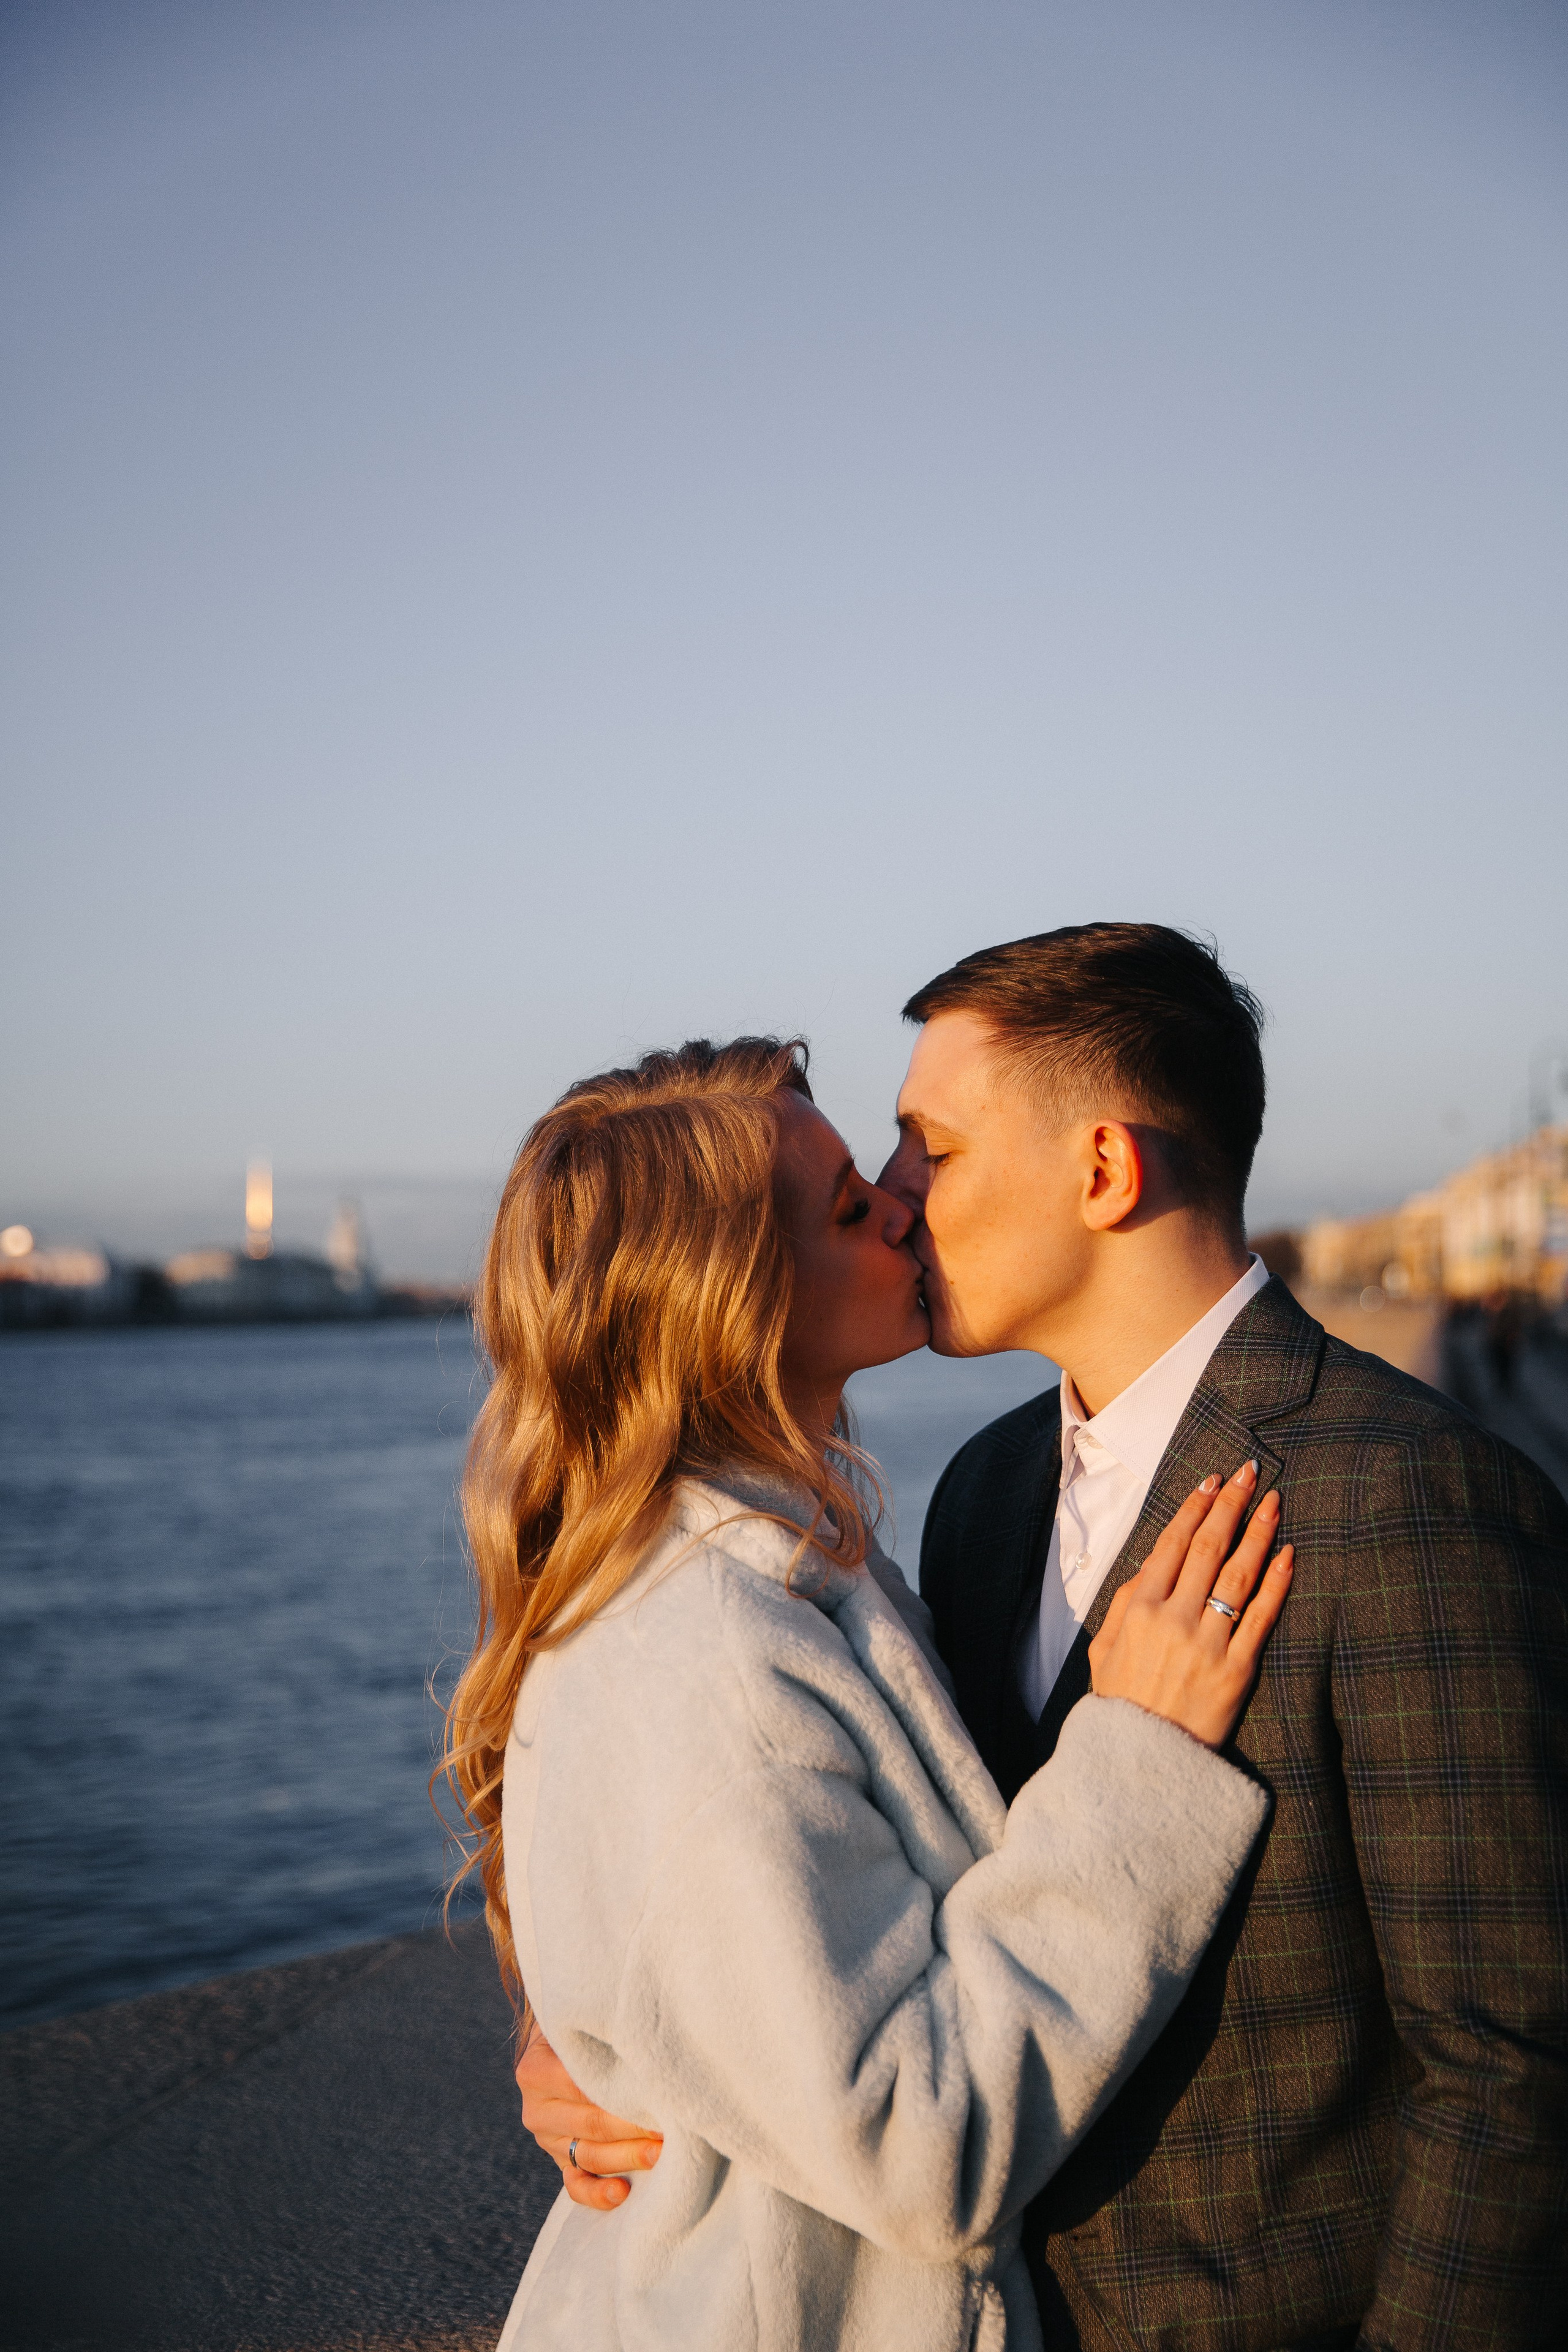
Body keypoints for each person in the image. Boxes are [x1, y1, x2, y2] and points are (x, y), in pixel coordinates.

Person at [522, 927, 1568, 2350]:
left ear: (1100, 1171)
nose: (895, 1199)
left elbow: (1513, 2072)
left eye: (926, 1150)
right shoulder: (985, 1493)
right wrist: (633, 2034)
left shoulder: (1408, 1499)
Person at [448, 1034, 1292, 2352]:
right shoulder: (714, 1653)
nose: (903, 1203)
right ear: (728, 1298)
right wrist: (1136, 1757)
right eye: (849, 1205)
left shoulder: (790, 1566)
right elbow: (920, 2145)